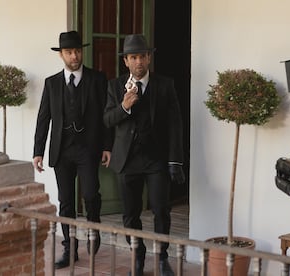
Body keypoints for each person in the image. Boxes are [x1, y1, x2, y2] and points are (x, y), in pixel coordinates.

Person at [104, 34, 185, 276]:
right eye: (133, 57)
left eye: (142, 56)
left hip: (156, 160)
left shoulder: (165, 84)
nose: (138, 61)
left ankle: (162, 257)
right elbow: (107, 120)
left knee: (161, 210)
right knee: (130, 214)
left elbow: (175, 124)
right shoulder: (114, 86)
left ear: (149, 58)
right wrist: (124, 106)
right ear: (126, 61)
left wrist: (175, 161)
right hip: (127, 160)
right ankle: (137, 257)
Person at [33, 31, 113, 269]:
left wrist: (107, 146)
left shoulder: (98, 79)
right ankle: (69, 248)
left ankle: (94, 228)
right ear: (62, 55)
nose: (74, 55)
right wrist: (37, 151)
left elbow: (106, 116)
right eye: (69, 52)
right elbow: (43, 118)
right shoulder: (52, 83)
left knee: (90, 194)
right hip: (61, 150)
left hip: (88, 148)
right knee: (65, 201)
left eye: (77, 51)